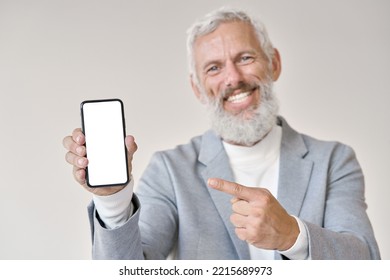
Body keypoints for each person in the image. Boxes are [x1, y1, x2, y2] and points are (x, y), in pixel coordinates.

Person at [63, 7, 380, 260]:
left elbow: (366, 260)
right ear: (197, 88)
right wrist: (114, 202)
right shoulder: (171, 169)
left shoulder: (334, 160)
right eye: (214, 68)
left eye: (245, 58)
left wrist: (293, 236)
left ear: (274, 63)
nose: (233, 78)